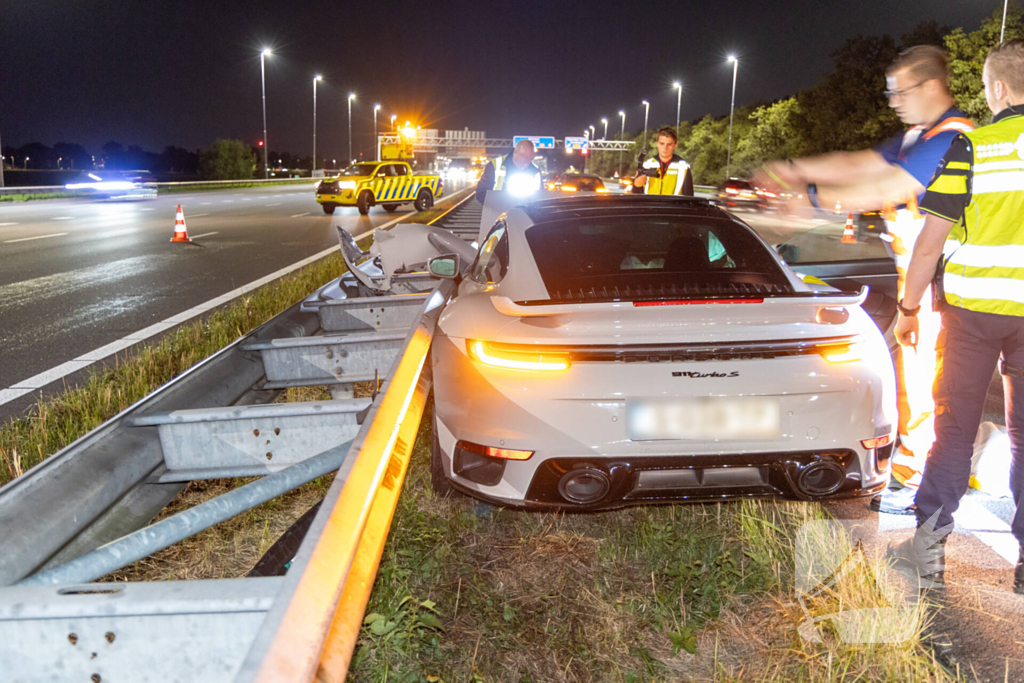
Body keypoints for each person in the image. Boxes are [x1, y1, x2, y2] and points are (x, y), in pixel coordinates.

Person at [756, 46, 975, 495]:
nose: (892, 101)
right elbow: (862, 162)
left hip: (945, 283)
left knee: (931, 384)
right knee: (917, 378)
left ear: (931, 86)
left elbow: (890, 185)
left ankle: (922, 480)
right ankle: (918, 470)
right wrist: (793, 170)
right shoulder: (919, 134)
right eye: (889, 92)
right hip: (922, 277)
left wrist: (812, 198)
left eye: (900, 92)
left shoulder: (953, 136)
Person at [887, 39, 1024, 591]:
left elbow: (929, 243)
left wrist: (908, 308)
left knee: (954, 428)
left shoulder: (970, 148)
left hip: (970, 317)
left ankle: (928, 554)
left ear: (996, 88)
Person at [632, 127, 694, 196]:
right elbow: (636, 195)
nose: (665, 148)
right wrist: (636, 185)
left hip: (673, 206)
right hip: (651, 206)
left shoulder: (683, 167)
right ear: (657, 144)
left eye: (669, 144)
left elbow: (689, 197)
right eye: (662, 144)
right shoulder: (647, 165)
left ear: (675, 145)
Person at [475, 139, 541, 203]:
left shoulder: (535, 171)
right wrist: (501, 203)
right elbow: (481, 193)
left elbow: (541, 198)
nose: (526, 164)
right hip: (497, 212)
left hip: (525, 213)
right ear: (515, 153)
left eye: (529, 160)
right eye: (524, 159)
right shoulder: (495, 166)